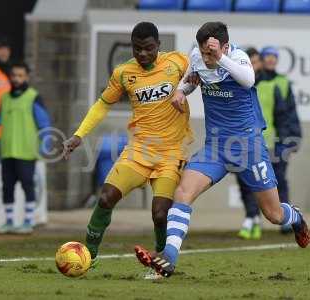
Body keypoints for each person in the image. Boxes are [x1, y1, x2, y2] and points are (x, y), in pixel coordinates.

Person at [135, 22, 310, 278]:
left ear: (225, 47)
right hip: (216, 147)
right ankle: (169, 258)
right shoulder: (198, 57)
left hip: (249, 147)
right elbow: (192, 79)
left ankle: (294, 216)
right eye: (203, 52)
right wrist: (181, 92)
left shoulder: (238, 59)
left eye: (211, 52)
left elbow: (248, 80)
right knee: (182, 192)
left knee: (273, 214)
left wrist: (220, 58)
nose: (206, 58)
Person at [62, 22, 192, 279]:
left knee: (159, 213)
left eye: (148, 48)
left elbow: (203, 72)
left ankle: (160, 262)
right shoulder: (123, 72)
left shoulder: (178, 62)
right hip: (139, 151)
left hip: (171, 153)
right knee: (106, 198)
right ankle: (90, 255)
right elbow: (102, 105)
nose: (142, 54)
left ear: (159, 46)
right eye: (137, 49)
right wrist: (79, 135)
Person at [237, 47, 289, 240]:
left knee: (277, 182)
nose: (254, 65)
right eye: (250, 62)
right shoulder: (237, 83)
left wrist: (288, 141)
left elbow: (284, 115)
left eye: (256, 62)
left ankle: (284, 218)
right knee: (247, 183)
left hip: (270, 143)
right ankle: (252, 218)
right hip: (242, 143)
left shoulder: (272, 84)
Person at [0, 62, 51, 234]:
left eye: (20, 75)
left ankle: (28, 221)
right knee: (7, 187)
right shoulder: (4, 98)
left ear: (26, 77)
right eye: (14, 75)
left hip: (26, 152)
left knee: (28, 186)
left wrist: (45, 144)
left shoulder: (33, 97)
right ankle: (9, 221)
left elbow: (44, 123)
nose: (16, 78)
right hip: (7, 151)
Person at [261, 46, 302, 234]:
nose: (271, 60)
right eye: (267, 56)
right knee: (257, 182)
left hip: (277, 141)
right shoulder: (251, 81)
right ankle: (252, 219)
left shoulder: (283, 83)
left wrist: (293, 138)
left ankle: (285, 218)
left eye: (274, 57)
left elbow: (290, 113)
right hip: (253, 141)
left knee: (280, 179)